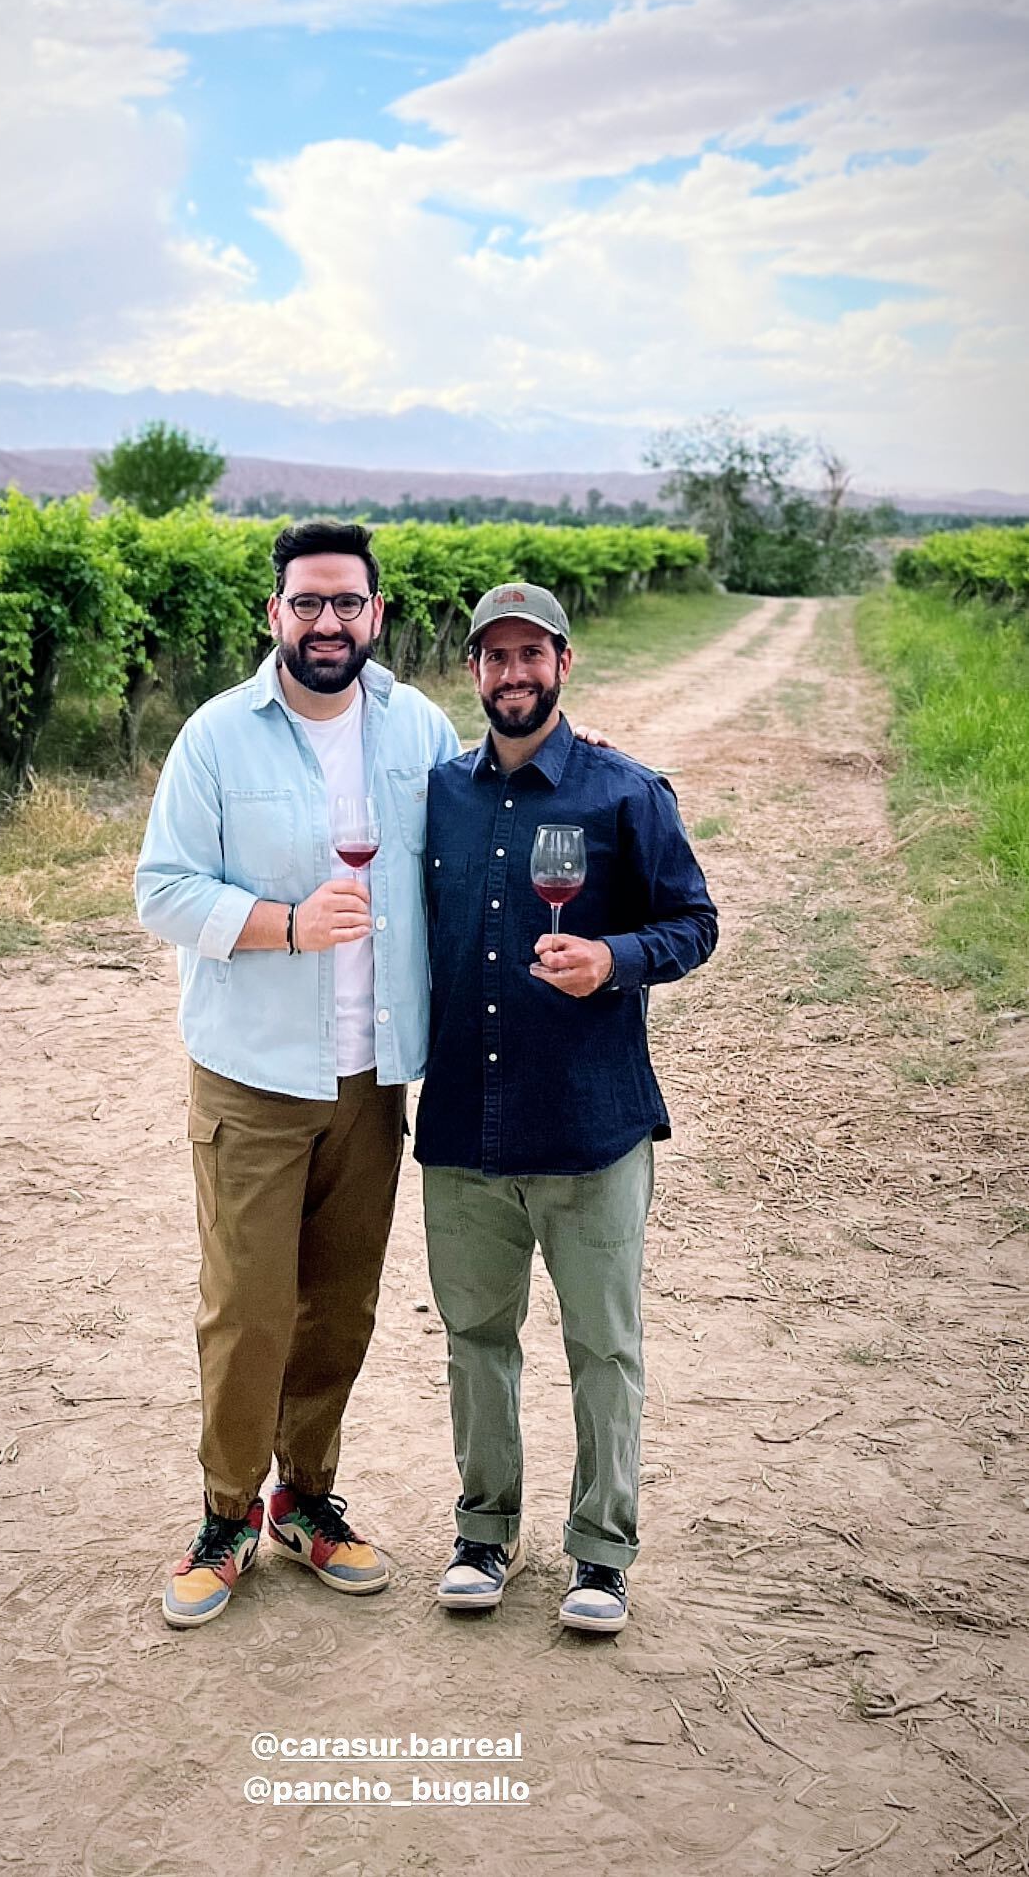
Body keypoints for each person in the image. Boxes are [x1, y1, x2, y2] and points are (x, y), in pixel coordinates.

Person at [134, 519, 461, 1627]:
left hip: (375, 1078)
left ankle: (305, 1498)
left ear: (377, 613)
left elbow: (471, 860)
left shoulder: (419, 726)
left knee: (340, 1307)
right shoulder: (216, 738)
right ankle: (227, 1513)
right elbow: (161, 889)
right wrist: (283, 922)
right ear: (273, 614)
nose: (329, 622)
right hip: (254, 1074)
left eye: (348, 602)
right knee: (247, 1307)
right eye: (307, 602)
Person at [416, 581, 718, 1635]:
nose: (513, 673)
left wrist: (614, 957)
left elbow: (695, 921)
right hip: (463, 1119)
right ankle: (483, 1531)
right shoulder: (439, 797)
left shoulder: (627, 795)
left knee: (604, 1345)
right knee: (475, 1340)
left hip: (592, 1124)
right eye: (494, 657)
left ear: (564, 663)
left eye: (530, 655)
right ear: (475, 673)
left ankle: (601, 1552)